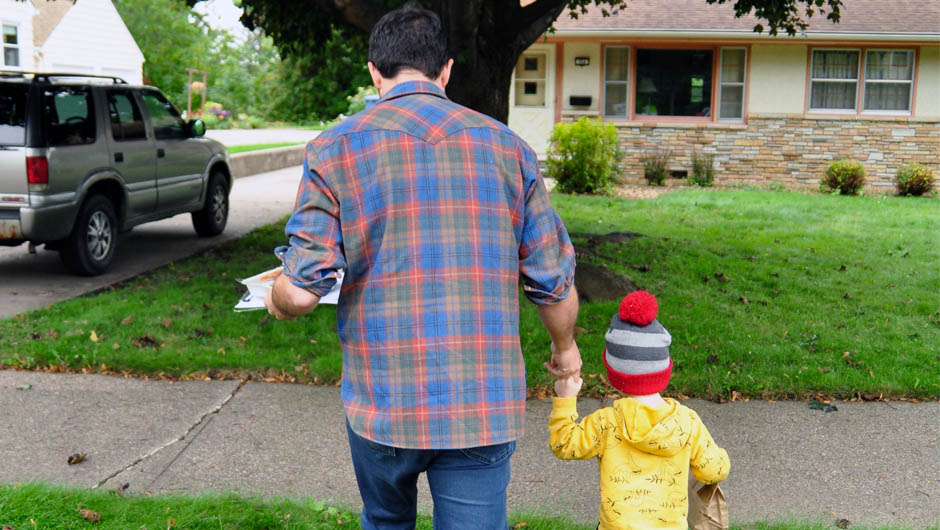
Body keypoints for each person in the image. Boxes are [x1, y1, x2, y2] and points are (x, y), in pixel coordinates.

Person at [263, 5, 580, 529]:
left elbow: (298, 293)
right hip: (482, 402)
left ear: (374, 70)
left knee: (386, 521)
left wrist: (276, 293)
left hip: (384, 402)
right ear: (447, 70)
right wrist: (565, 351)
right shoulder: (511, 150)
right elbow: (552, 282)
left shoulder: (332, 149)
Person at [549, 291, 730, 530]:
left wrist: (565, 398)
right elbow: (713, 470)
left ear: (614, 374)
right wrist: (722, 458)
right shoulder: (687, 423)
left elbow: (564, 444)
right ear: (665, 371)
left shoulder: (606, 423)